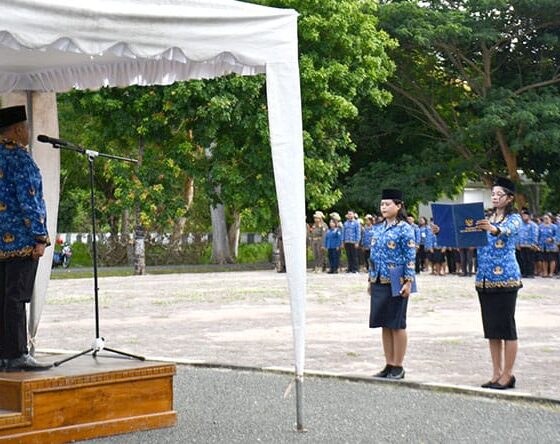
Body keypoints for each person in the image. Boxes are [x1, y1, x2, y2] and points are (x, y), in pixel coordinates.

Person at [435, 177, 522, 390]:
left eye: (499, 194)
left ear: (510, 198)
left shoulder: (514, 218)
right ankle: (496, 373)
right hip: (484, 279)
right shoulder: (485, 217)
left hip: (505, 278)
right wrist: (442, 232)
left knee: (507, 328)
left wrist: (492, 228)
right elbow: (465, 237)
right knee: (492, 329)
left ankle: (508, 374)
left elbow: (506, 230)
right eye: (493, 194)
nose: (495, 197)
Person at [0, 105, 52, 372]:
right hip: (21, 241)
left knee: (3, 297)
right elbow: (29, 200)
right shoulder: (20, 158)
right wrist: (40, 237)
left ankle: (3, 355)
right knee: (16, 298)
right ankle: (17, 354)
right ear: (18, 129)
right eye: (27, 127)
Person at [368, 189, 416, 380]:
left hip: (397, 279)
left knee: (397, 323)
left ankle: (398, 365)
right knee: (384, 324)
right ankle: (388, 364)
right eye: (382, 204)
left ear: (399, 206)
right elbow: (373, 255)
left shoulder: (405, 228)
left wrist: (409, 281)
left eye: (388, 204)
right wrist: (370, 279)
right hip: (379, 278)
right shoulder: (378, 228)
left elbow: (410, 256)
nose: (384, 208)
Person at [516, 208, 538, 278]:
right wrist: (517, 243)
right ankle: (524, 273)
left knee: (530, 260)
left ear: (528, 216)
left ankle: (530, 273)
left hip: (530, 245)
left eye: (525, 215)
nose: (523, 217)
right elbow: (518, 234)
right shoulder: (520, 225)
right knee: (523, 259)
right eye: (522, 216)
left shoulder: (533, 225)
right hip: (522, 245)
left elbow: (535, 235)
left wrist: (534, 244)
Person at [538, 213, 558, 278]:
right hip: (543, 245)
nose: (545, 220)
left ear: (550, 219)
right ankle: (545, 272)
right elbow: (538, 235)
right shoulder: (540, 226)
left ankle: (551, 273)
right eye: (544, 218)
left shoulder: (554, 227)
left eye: (547, 218)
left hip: (551, 246)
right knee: (544, 259)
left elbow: (557, 235)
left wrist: (552, 239)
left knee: (552, 259)